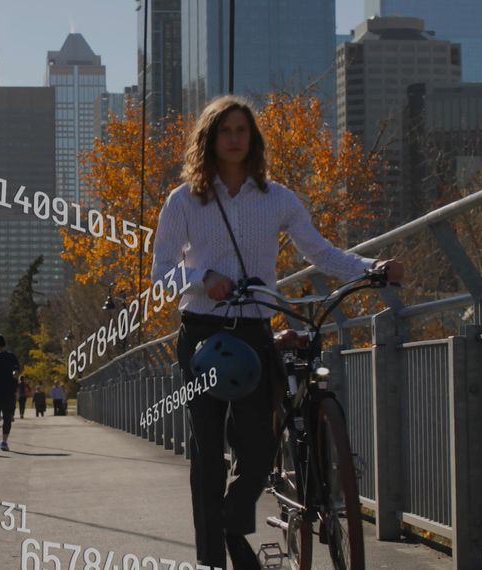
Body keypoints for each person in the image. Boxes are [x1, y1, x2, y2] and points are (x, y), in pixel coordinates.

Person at [151, 94, 404, 569]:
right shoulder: (184, 200)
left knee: (261, 447)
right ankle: (212, 559)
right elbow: (161, 272)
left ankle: (230, 521)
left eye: (242, 130)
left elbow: (320, 252)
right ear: (209, 139)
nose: (234, 139)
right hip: (203, 333)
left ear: (253, 139)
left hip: (252, 331)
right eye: (225, 130)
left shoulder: (277, 197)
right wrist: (202, 279)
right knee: (208, 453)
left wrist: (371, 267)